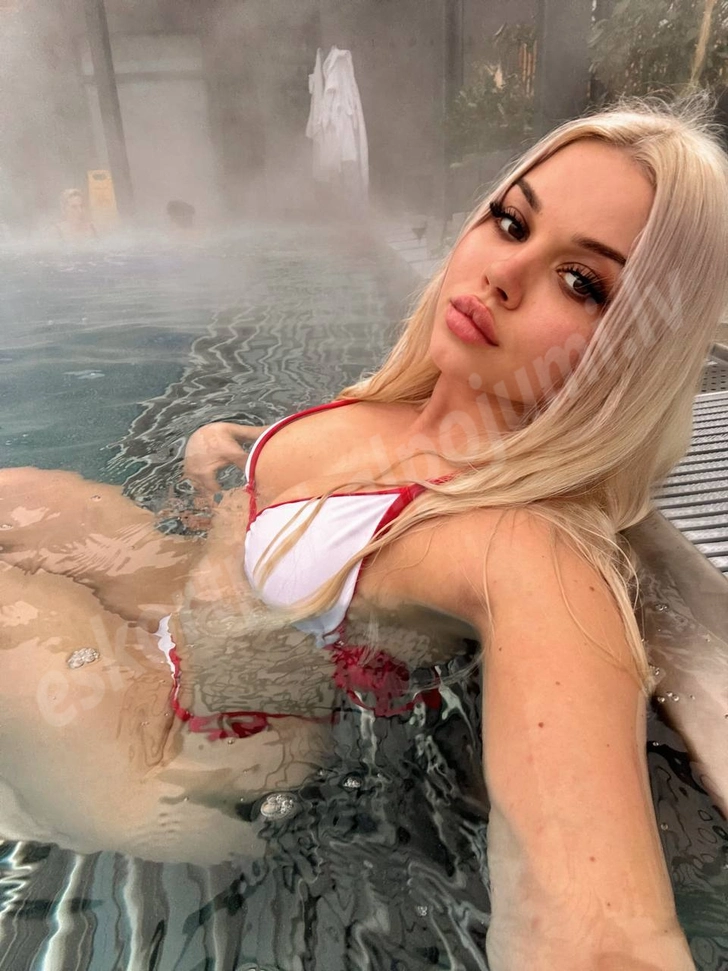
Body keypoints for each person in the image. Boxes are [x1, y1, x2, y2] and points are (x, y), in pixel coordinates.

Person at [1, 95, 727, 968]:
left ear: (641, 348)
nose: (503, 272)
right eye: (511, 221)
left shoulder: (527, 551)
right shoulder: (423, 404)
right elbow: (328, 505)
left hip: (179, 758)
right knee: (14, 494)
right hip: (195, 619)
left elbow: (602, 931)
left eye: (583, 282)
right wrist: (242, 456)